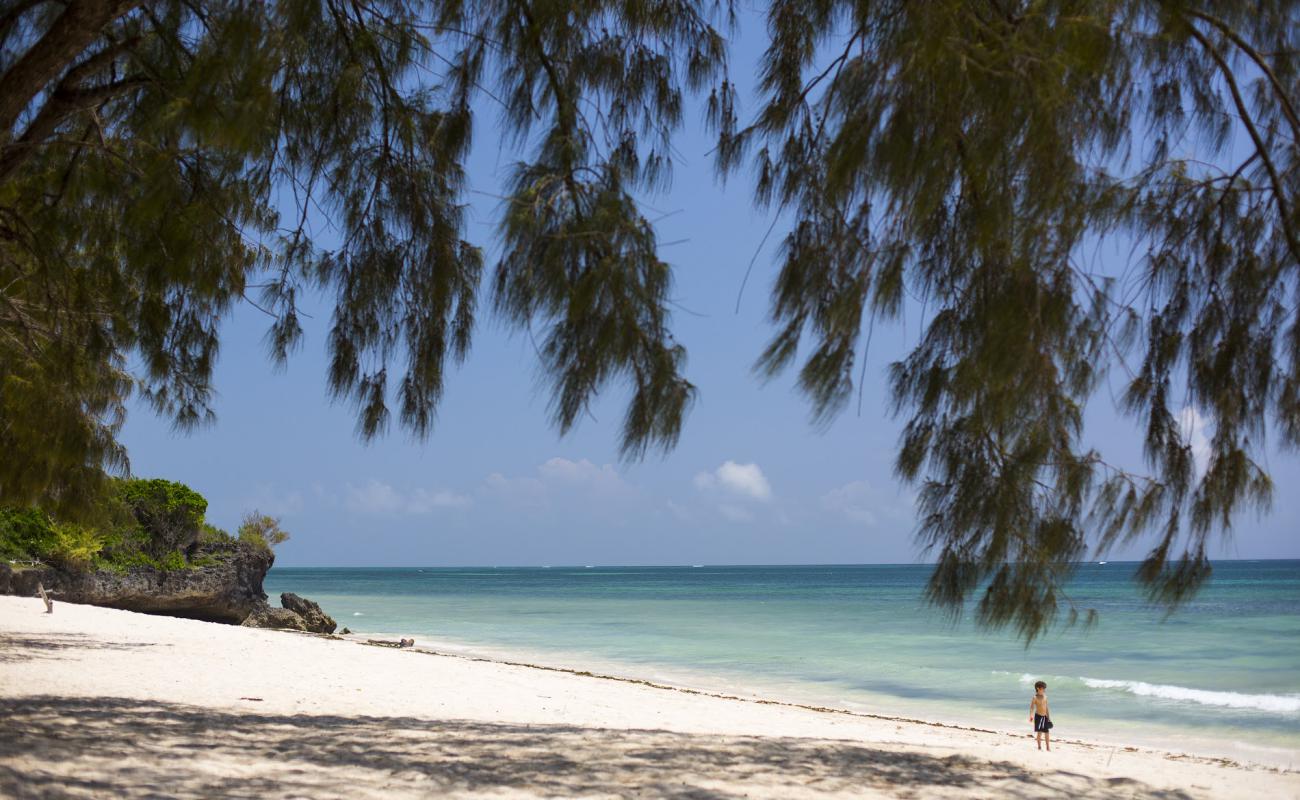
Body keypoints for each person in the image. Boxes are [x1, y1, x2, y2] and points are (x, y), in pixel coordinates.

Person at [1029, 680, 1053, 751]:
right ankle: (1039, 747)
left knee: (1047, 732)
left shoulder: (1045, 697)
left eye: (1044, 688)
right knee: (1039, 732)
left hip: (1045, 717)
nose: (1044, 690)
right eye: (1043, 688)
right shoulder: (1035, 697)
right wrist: (1031, 715)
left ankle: (1048, 747)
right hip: (1038, 717)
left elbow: (1047, 708)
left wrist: (1049, 718)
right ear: (1038, 688)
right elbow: (1032, 707)